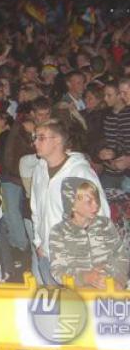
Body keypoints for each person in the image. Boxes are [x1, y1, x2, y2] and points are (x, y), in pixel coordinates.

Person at [30, 119, 110, 285]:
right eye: (35, 137)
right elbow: (36, 210)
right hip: (48, 256)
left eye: (41, 138)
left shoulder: (79, 172)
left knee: (75, 302)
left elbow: (100, 216)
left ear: (58, 141)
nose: (35, 142)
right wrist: (39, 242)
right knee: (55, 301)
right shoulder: (39, 170)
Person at [49, 178, 129, 288]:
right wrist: (85, 277)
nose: (96, 205)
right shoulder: (59, 232)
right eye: (89, 201)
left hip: (109, 289)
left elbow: (121, 256)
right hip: (78, 293)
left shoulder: (105, 224)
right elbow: (58, 270)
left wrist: (119, 280)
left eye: (96, 200)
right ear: (72, 204)